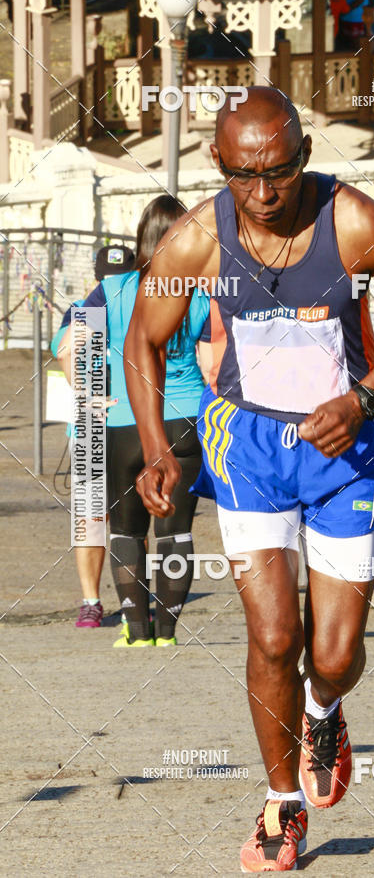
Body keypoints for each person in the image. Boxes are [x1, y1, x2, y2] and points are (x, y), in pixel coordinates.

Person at [124, 87, 374, 869]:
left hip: (347, 450)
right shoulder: (198, 239)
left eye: (277, 173)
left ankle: (325, 709)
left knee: (333, 654)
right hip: (247, 447)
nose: (263, 194)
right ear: (219, 163)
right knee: (274, 634)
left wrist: (365, 394)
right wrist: (158, 450)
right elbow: (142, 341)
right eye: (243, 175)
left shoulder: (351, 224)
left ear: (304, 157)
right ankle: (283, 804)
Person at [59, 196, 210, 647]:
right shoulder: (201, 288)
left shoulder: (114, 288)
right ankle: (167, 631)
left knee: (126, 529)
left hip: (123, 419)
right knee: (175, 529)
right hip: (184, 416)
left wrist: (89, 395)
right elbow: (221, 354)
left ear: (141, 238)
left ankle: (135, 630)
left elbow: (69, 344)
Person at [53, 243, 136, 628]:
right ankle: (132, 601)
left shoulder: (86, 306)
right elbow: (67, 352)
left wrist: (86, 396)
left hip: (92, 424)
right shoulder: (133, 305)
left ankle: (92, 602)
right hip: (125, 422)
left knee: (93, 517)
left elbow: (65, 353)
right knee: (129, 519)